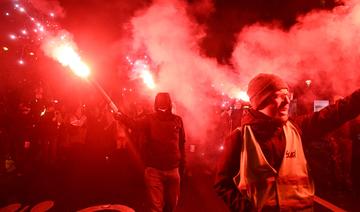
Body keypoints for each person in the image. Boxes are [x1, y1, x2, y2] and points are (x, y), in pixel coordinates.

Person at [214, 73, 360, 211]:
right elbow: (222, 184)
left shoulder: (296, 128)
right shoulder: (239, 138)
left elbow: (337, 112)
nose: (287, 101)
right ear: (261, 102)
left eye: (287, 95)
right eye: (279, 96)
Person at [117, 92, 186, 212]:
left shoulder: (177, 120)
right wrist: (121, 117)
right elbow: (134, 124)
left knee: (171, 206)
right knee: (156, 207)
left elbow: (182, 143)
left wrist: (183, 164)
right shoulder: (150, 119)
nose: (163, 105)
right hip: (154, 170)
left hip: (173, 170)